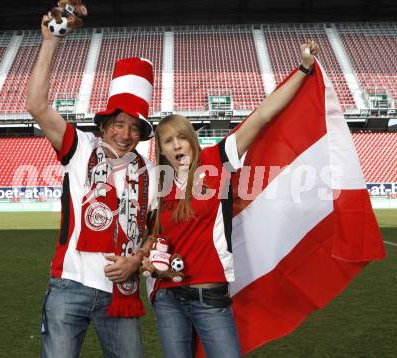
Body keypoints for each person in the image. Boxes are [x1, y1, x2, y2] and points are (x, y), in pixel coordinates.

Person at [144, 40, 319, 358]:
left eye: (182, 136)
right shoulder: (158, 183)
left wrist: (304, 68)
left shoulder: (216, 159)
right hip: (167, 295)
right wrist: (149, 263)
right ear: (161, 148)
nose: (176, 145)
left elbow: (263, 115)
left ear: (192, 139)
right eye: (168, 141)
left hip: (208, 293)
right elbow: (153, 240)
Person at [26, 13, 156, 358]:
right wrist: (51, 41)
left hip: (122, 292)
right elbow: (37, 106)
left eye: (134, 128)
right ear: (104, 126)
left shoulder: (150, 172)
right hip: (70, 285)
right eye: (119, 124)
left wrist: (137, 260)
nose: (125, 134)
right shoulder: (81, 147)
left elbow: (155, 231)